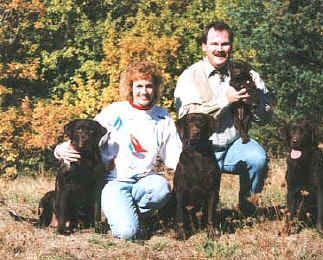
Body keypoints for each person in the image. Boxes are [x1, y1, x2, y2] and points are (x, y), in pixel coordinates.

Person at [54, 61, 182, 239]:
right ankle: (127, 215)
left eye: (149, 86)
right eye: (139, 86)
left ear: (156, 88)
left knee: (161, 189)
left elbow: (174, 155)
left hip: (145, 181)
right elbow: (85, 132)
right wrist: (61, 149)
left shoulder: (163, 117)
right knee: (126, 233)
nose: (143, 91)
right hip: (114, 182)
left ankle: (134, 213)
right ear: (130, 87)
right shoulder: (114, 111)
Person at [174, 21, 273, 215]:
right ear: (204, 46)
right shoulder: (190, 76)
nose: (220, 49)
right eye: (214, 44)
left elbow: (266, 117)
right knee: (194, 202)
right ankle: (197, 213)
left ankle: (247, 207)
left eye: (225, 44)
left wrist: (256, 102)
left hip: (235, 144)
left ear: (231, 46)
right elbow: (187, 116)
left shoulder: (248, 73)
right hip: (202, 150)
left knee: (258, 158)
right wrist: (224, 100)